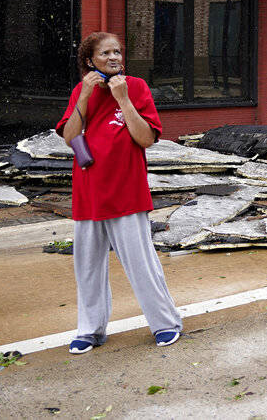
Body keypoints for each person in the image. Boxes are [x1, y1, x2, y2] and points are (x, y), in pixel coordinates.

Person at [56, 31, 182, 354]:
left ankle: (165, 323)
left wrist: (123, 99)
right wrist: (83, 96)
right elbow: (71, 137)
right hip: (89, 192)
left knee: (141, 262)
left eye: (118, 52)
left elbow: (146, 138)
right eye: (106, 53)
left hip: (127, 191)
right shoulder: (79, 92)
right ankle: (90, 329)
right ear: (89, 61)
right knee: (87, 266)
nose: (114, 58)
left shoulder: (136, 88)